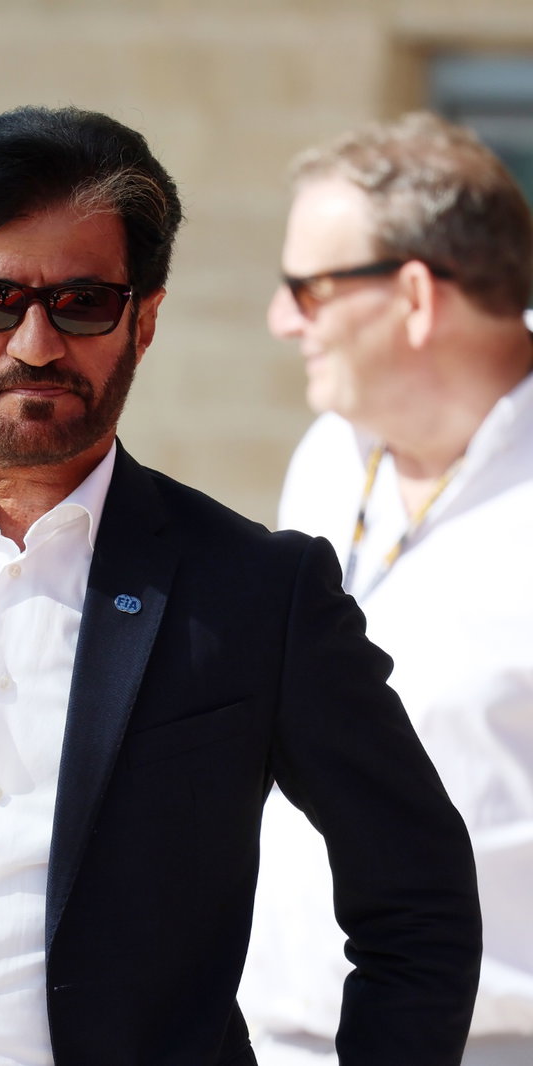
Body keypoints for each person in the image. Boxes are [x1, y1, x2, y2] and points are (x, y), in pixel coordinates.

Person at [0, 105, 481, 1066]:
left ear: (142, 321)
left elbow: (419, 901)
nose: (35, 344)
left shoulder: (257, 593)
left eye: (82, 303)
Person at [239, 112, 533, 1066]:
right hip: (278, 1038)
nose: (283, 320)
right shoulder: (330, 453)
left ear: (413, 295)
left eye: (309, 289)